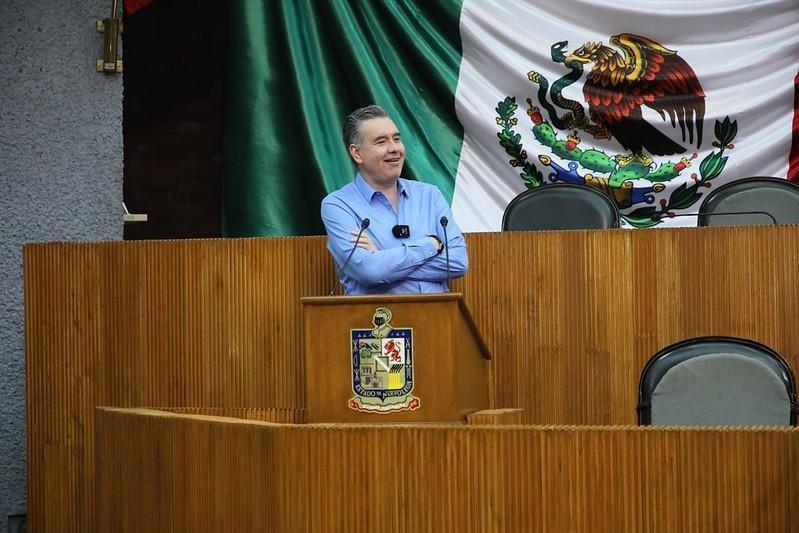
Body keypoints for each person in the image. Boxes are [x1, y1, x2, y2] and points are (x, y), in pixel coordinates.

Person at [321, 105, 468, 295]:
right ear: (357, 153)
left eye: (396, 139)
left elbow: (457, 263)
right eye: (381, 142)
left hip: (436, 319)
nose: (394, 148)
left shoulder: (430, 196)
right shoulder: (338, 205)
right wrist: (430, 245)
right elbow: (368, 271)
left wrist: (382, 258)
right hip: (375, 320)